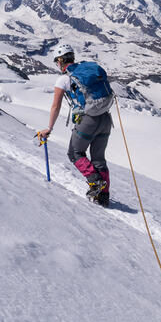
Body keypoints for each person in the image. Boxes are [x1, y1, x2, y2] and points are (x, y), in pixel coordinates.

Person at [37, 44, 114, 207]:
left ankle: (95, 182)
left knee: (75, 153)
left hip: (88, 120)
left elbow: (55, 106)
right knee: (98, 158)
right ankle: (103, 196)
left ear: (60, 60)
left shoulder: (64, 79)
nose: (57, 65)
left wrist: (49, 128)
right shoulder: (86, 70)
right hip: (106, 119)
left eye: (57, 62)